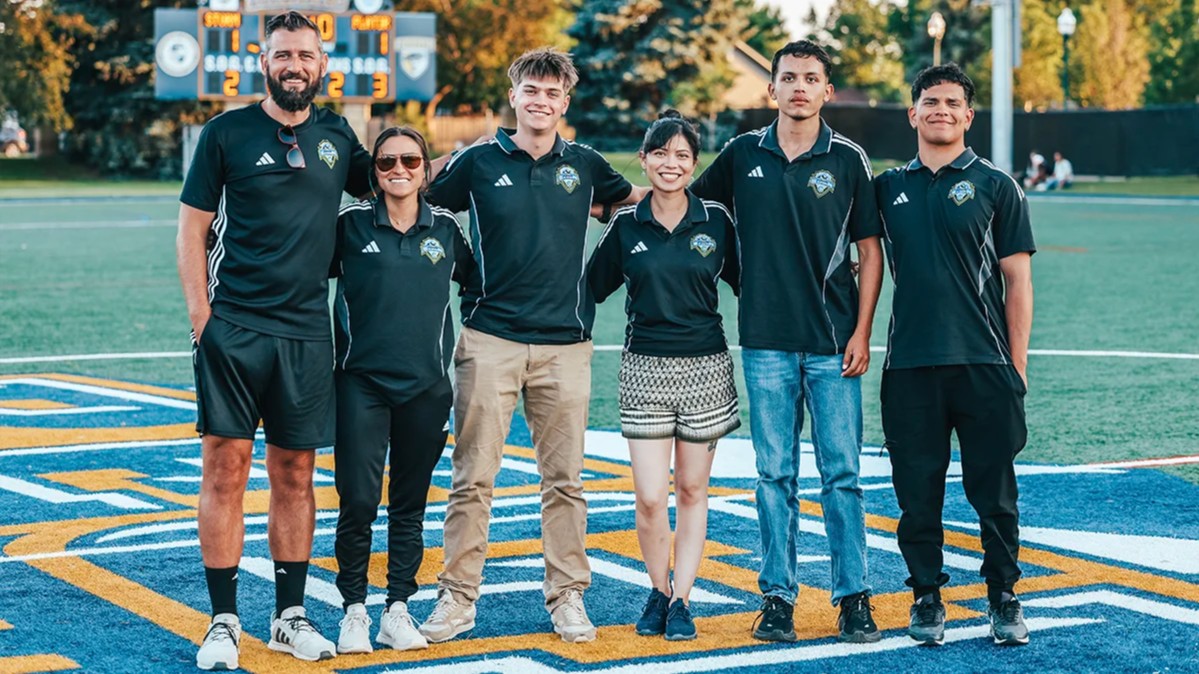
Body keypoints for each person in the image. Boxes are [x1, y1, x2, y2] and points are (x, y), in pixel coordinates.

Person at [416, 47, 646, 644]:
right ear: (513, 96)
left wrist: (686, 186)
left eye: (552, 94)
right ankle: (457, 600)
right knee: (473, 479)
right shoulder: (477, 160)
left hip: (566, 346)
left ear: (564, 103)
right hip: (489, 339)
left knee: (564, 481)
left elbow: (629, 203)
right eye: (531, 91)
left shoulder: (587, 164)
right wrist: (462, 267)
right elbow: (419, 207)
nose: (541, 102)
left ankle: (568, 597)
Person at [177, 11, 371, 670]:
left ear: (323, 67)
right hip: (234, 328)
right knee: (224, 470)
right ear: (264, 61)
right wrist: (202, 319)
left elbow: (394, 190)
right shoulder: (226, 132)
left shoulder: (338, 135)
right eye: (283, 54)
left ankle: (288, 616)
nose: (295, 64)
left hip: (306, 333)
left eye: (306, 55)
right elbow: (191, 229)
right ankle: (224, 620)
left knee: (295, 474)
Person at [689, 40, 884, 644]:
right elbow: (690, 209)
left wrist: (862, 330)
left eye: (812, 79)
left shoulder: (849, 159)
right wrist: (610, 204)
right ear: (770, 88)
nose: (799, 87)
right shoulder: (741, 153)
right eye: (788, 78)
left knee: (842, 475)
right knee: (774, 475)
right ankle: (777, 597)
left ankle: (853, 596)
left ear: (828, 91)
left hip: (832, 345)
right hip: (766, 343)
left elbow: (870, 252)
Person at [875, 63, 1035, 647]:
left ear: (969, 116)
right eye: (930, 101)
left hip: (985, 366)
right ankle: (926, 596)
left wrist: (1016, 368)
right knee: (918, 494)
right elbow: (861, 261)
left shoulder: (997, 185)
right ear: (912, 113)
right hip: (910, 367)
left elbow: (1018, 281)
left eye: (952, 102)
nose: (940, 109)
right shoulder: (886, 187)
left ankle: (1004, 596)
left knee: (994, 493)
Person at [588, 111, 740, 642]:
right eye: (660, 154)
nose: (670, 164)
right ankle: (658, 589)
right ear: (645, 159)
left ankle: (683, 599)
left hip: (706, 369)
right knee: (652, 495)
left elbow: (757, 284)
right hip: (644, 369)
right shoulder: (626, 225)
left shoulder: (717, 219)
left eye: (681, 156)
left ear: (694, 164)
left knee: (693, 490)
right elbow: (588, 289)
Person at [329, 127, 473, 655]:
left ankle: (397, 609)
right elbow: (300, 274)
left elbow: (477, 288)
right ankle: (353, 612)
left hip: (427, 388)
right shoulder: (348, 226)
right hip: (360, 385)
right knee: (359, 501)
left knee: (408, 505)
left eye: (410, 160)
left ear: (425, 169)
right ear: (375, 170)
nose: (399, 169)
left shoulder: (448, 230)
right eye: (387, 160)